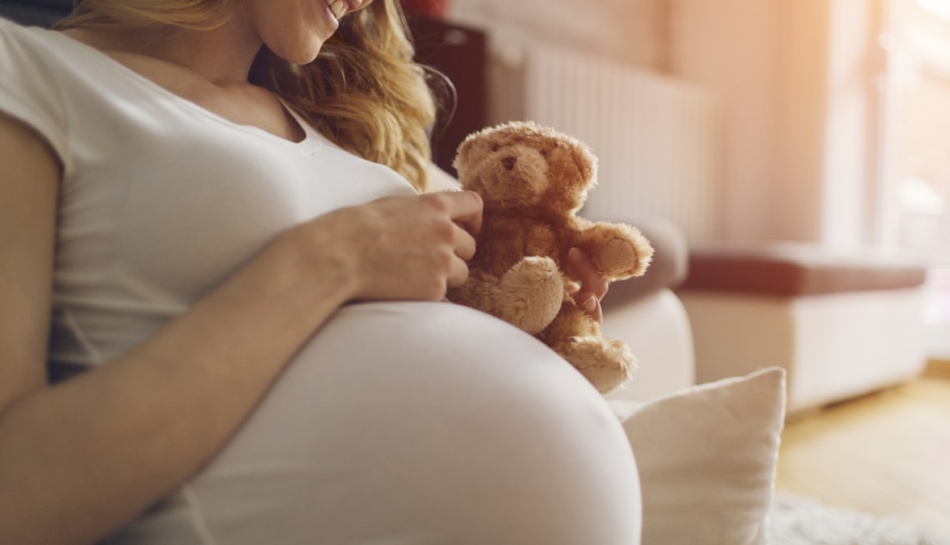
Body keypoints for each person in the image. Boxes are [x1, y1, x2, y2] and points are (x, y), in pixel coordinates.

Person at [0, 1, 642, 543]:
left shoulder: (336, 122)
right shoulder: (29, 69)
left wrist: (544, 286)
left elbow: (510, 234)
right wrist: (330, 260)